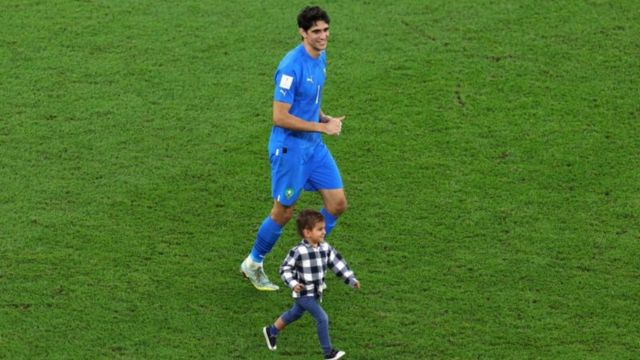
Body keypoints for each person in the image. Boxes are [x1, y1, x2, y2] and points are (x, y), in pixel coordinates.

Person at [240, 5, 348, 291]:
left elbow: (309, 98)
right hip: (290, 150)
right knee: (284, 212)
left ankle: (309, 254)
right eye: (315, 32)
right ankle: (252, 264)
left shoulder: (321, 56)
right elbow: (280, 116)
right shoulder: (290, 66)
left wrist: (322, 117)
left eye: (325, 30)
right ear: (302, 32)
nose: (322, 36)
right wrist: (322, 127)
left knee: (337, 204)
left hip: (313, 147)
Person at [262, 210, 360, 360]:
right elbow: (284, 268)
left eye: (324, 228)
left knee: (295, 313)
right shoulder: (298, 251)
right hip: (303, 293)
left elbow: (337, 264)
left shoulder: (325, 248)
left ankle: (271, 331)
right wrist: (293, 283)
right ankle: (328, 352)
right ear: (307, 232)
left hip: (315, 293)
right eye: (320, 229)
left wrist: (350, 279)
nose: (324, 232)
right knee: (322, 318)